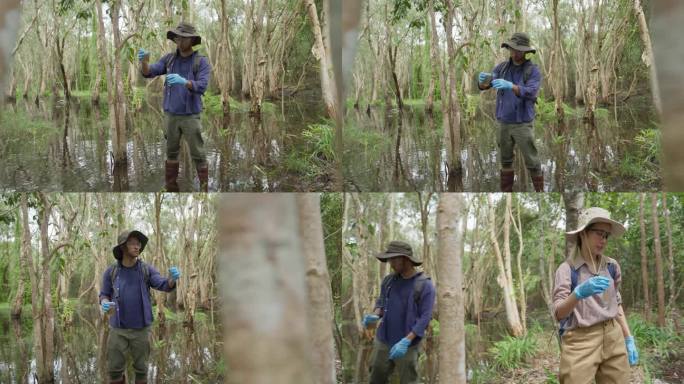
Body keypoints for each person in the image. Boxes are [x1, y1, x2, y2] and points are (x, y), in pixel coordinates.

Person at [553, 207, 639, 384]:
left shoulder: (611, 267)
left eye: (606, 235)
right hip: (580, 340)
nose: (603, 240)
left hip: (613, 334)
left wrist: (628, 337)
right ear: (583, 233)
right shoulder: (567, 270)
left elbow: (616, 302)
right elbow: (559, 314)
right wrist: (578, 293)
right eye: (599, 233)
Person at [99, 230, 181, 384]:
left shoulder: (146, 270)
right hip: (118, 329)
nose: (137, 246)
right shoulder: (111, 272)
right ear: (123, 247)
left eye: (139, 244)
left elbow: (163, 284)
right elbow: (104, 294)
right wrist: (104, 302)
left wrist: (171, 279)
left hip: (141, 329)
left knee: (142, 369)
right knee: (114, 370)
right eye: (132, 243)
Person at [138, 22, 212, 192]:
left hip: (191, 116)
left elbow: (202, 86)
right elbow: (150, 71)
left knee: (199, 155)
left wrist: (184, 81)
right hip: (170, 116)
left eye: (183, 37)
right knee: (171, 153)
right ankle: (171, 188)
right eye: (177, 37)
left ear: (191, 39)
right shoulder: (169, 59)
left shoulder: (200, 62)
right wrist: (144, 62)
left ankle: (204, 190)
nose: (179, 40)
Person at [478, 32, 543, 192]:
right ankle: (507, 192)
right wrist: (482, 82)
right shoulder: (501, 68)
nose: (514, 53)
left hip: (522, 124)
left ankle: (539, 191)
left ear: (526, 51)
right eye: (512, 49)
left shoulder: (532, 70)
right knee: (505, 161)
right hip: (503, 123)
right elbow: (488, 84)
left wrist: (512, 86)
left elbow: (531, 92)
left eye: (518, 50)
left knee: (533, 162)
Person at [362, 241, 436, 384]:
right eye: (389, 259)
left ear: (406, 259)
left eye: (394, 259)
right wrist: (375, 315)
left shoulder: (425, 285)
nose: (391, 264)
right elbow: (382, 303)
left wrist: (406, 340)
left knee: (408, 380)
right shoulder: (388, 281)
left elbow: (425, 317)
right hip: (383, 340)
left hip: (407, 344)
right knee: (375, 378)